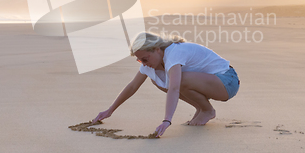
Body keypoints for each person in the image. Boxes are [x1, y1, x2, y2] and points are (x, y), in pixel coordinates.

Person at [92, 31, 240, 137]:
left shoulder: (173, 53)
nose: (144, 64)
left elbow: (175, 87)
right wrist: (110, 110)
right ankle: (201, 108)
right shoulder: (152, 62)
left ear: (157, 50)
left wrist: (166, 121)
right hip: (211, 82)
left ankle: (207, 110)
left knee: (178, 80)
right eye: (140, 60)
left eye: (145, 59)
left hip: (227, 81)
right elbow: (132, 86)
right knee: (158, 80)